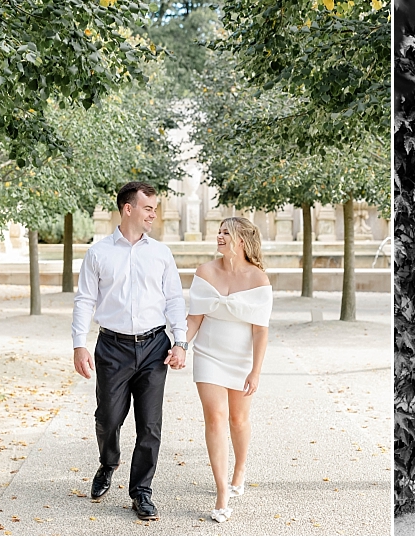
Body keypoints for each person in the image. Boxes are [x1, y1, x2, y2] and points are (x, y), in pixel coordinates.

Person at [72, 181, 188, 521]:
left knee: (149, 426)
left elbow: (174, 300)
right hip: (112, 347)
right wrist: (80, 344)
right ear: (128, 209)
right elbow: (84, 301)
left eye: (154, 208)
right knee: (108, 419)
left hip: (155, 347)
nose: (153, 214)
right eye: (148, 208)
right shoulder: (98, 253)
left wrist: (180, 341)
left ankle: (141, 492)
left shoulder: (161, 253)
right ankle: (108, 462)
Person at [169, 216, 271, 523]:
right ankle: (221, 491)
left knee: (239, 420)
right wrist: (180, 344)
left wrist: (255, 371)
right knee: (215, 418)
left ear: (241, 241)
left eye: (226, 232)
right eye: (219, 231)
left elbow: (260, 331)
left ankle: (239, 469)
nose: (220, 235)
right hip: (208, 355)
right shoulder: (205, 271)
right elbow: (194, 319)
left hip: (241, 359)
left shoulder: (258, 279)